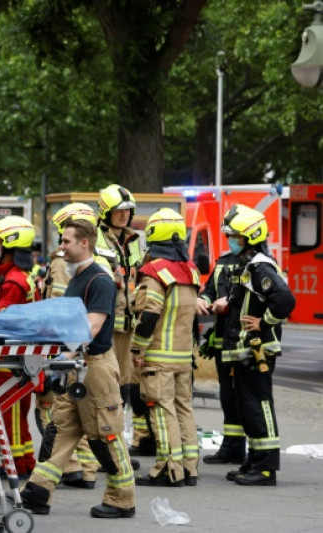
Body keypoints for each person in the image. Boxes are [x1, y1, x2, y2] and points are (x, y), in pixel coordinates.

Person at [20, 218, 135, 519]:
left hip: (94, 368)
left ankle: (122, 499)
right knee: (60, 430)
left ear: (85, 243)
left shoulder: (99, 280)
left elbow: (92, 327)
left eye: (67, 241)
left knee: (104, 433)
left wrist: (61, 355)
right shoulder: (78, 278)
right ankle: (37, 492)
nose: (61, 247)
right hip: (76, 367)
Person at [218, 205, 295, 486]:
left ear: (250, 237)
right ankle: (254, 460)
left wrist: (264, 323)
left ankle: (265, 468)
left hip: (258, 349)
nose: (231, 239)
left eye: (236, 235)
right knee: (248, 406)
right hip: (247, 349)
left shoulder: (261, 266)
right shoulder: (250, 263)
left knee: (259, 406)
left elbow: (285, 300)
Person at [35, 203, 104, 490]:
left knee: (54, 409)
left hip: (67, 346)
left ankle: (72, 468)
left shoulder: (64, 264)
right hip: (84, 349)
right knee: (79, 414)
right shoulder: (99, 262)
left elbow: (62, 307)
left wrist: (56, 350)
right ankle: (85, 469)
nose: (60, 243)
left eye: (64, 238)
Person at [130, 208, 200, 487]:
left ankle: (168, 470)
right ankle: (190, 468)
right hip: (183, 356)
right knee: (184, 409)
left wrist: (137, 349)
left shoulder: (155, 272)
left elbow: (149, 315)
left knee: (161, 410)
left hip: (158, 356)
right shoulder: (190, 270)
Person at [97, 184, 148, 456]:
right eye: (119, 211)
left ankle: (121, 439)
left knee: (127, 385)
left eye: (128, 211)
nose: (124, 215)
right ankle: (108, 442)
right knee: (108, 385)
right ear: (106, 212)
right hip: (108, 321)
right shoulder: (97, 238)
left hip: (130, 322)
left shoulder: (134, 240)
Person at [0, 216, 38, 477]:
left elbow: (4, 321)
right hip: (14, 357)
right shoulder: (8, 276)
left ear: (9, 245)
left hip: (15, 358)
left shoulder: (14, 281)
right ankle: (24, 461)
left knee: (12, 416)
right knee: (15, 415)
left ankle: (16, 466)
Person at [197, 250, 246, 465]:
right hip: (222, 341)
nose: (232, 240)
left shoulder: (256, 262)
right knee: (227, 396)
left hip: (242, 343)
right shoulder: (223, 261)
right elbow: (210, 289)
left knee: (242, 398)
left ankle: (244, 449)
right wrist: (203, 299)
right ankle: (231, 447)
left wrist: (229, 302)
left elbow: (251, 296)